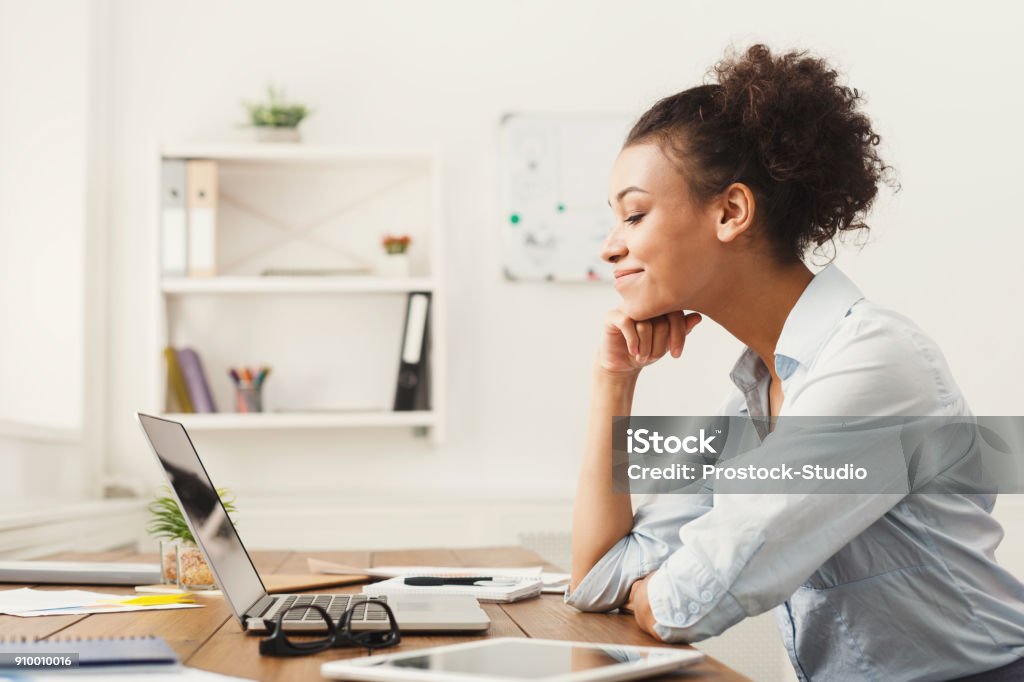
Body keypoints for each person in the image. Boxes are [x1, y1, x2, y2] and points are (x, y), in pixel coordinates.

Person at [566, 44, 1024, 681]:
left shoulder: (875, 365)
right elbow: (596, 579)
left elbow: (684, 604)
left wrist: (655, 589)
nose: (611, 246)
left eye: (634, 214)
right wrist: (613, 383)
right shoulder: (760, 391)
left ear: (731, 212)